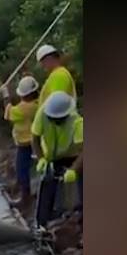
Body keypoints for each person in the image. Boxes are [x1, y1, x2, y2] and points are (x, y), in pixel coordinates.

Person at [31, 90, 82, 227]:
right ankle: (42, 224)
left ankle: (83, 223)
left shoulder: (76, 121)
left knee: (82, 185)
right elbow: (35, 138)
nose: (56, 121)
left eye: (59, 119)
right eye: (53, 119)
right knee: (47, 182)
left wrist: (73, 170)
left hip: (74, 156)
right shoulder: (42, 114)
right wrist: (41, 158)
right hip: (52, 157)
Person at [0, 76, 41, 210]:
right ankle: (26, 192)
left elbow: (8, 113)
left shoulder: (24, 108)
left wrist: (5, 95)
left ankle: (25, 199)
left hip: (25, 144)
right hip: (36, 142)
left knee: (21, 170)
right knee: (33, 169)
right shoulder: (38, 103)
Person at [34, 44, 77, 109]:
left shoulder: (59, 75)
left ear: (49, 58)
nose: (42, 65)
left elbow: (57, 104)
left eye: (42, 62)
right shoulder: (57, 74)